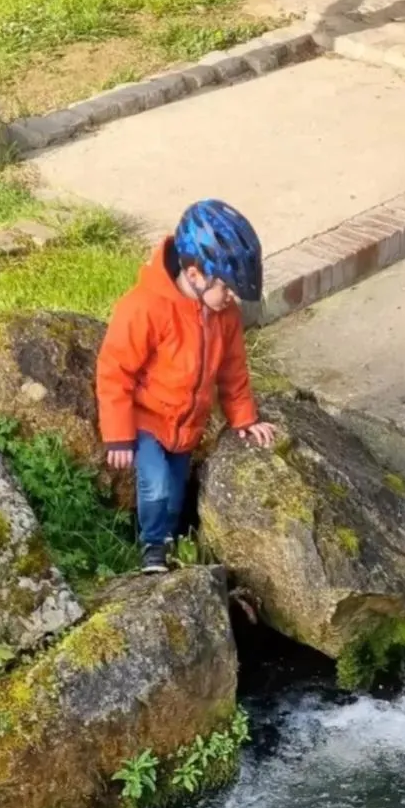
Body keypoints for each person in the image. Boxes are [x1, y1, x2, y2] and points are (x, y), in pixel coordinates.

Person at [96, 199, 277, 573]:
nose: (230, 298)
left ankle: (173, 536)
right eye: (226, 288)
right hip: (147, 422)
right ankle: (151, 547)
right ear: (195, 275)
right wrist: (117, 435)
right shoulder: (144, 308)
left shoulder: (223, 316)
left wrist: (245, 419)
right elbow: (115, 371)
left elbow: (233, 371)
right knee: (156, 487)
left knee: (176, 496)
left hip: (187, 427)